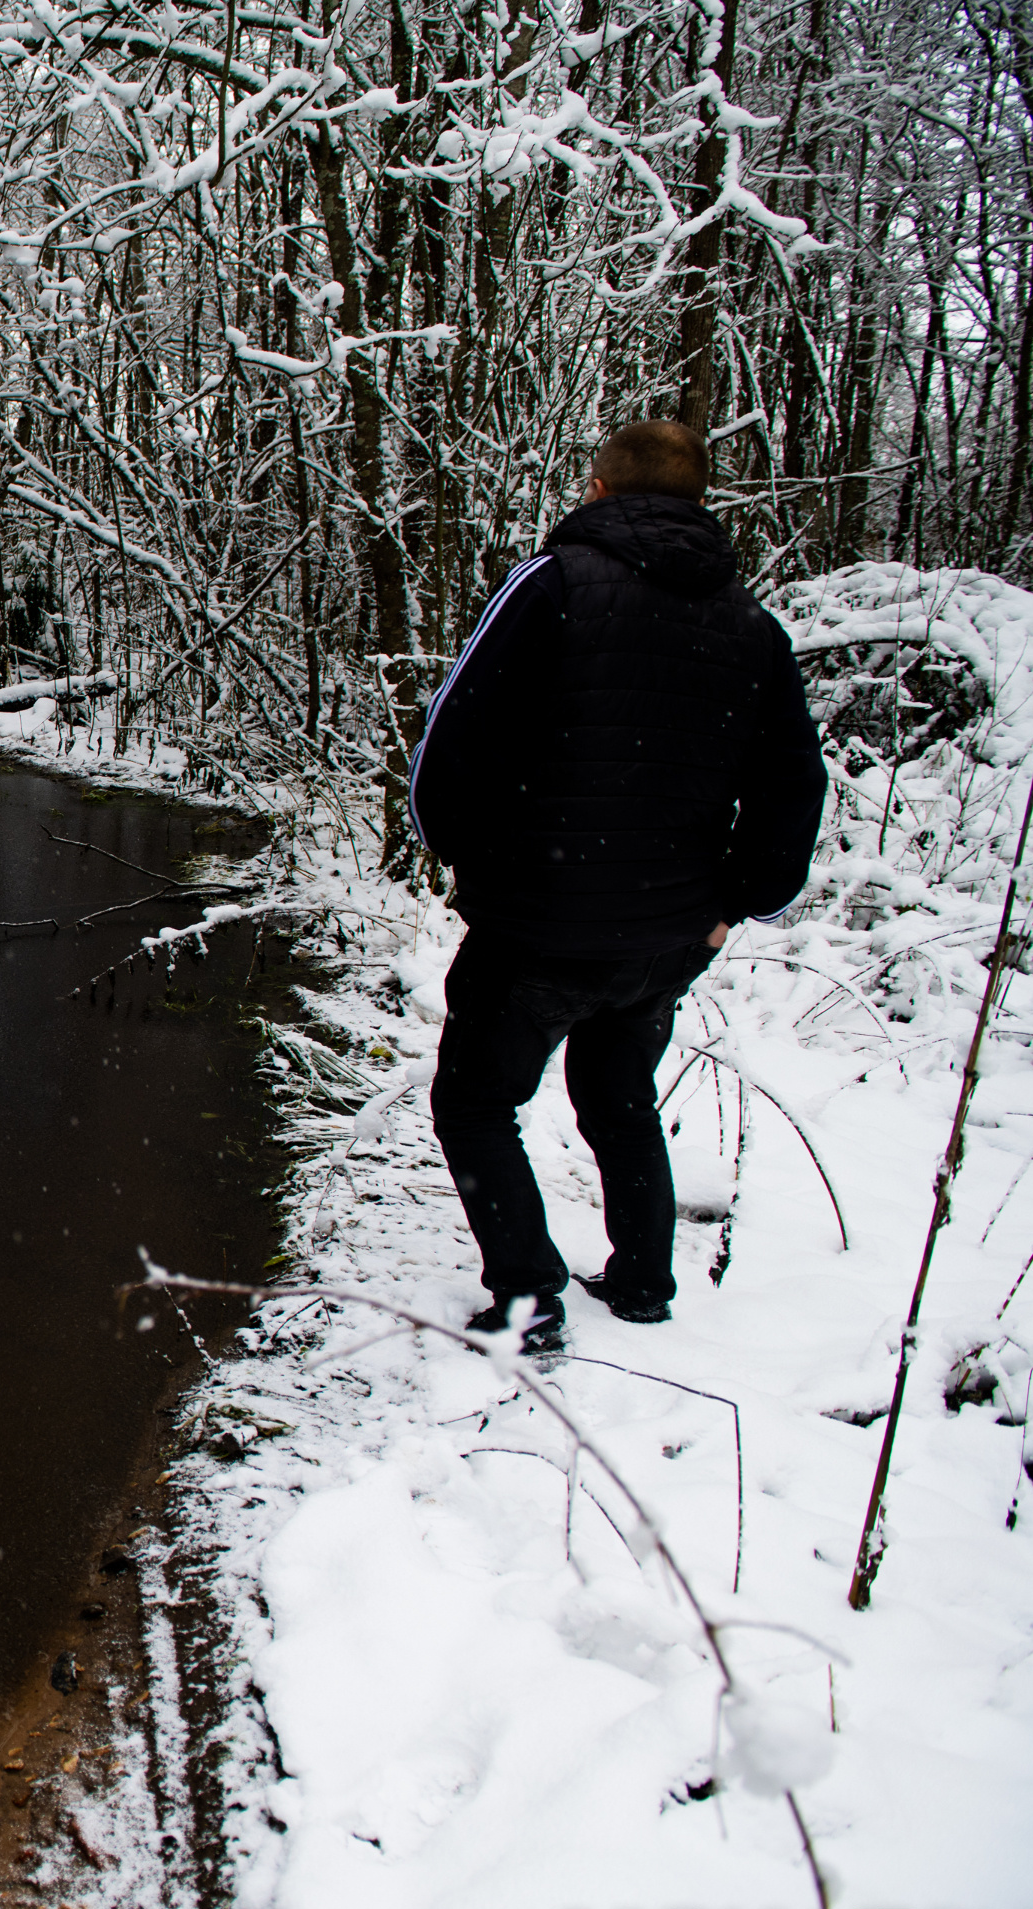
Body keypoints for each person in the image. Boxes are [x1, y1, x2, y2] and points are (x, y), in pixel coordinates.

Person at [408, 420, 827, 1352]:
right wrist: (739, 902)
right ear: (699, 505)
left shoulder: (552, 585)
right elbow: (795, 781)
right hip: (664, 935)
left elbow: (455, 731)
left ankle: (527, 1299)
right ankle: (641, 1282)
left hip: (538, 926)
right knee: (618, 1092)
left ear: (598, 490)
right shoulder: (753, 627)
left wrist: (457, 853)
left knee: (474, 1103)